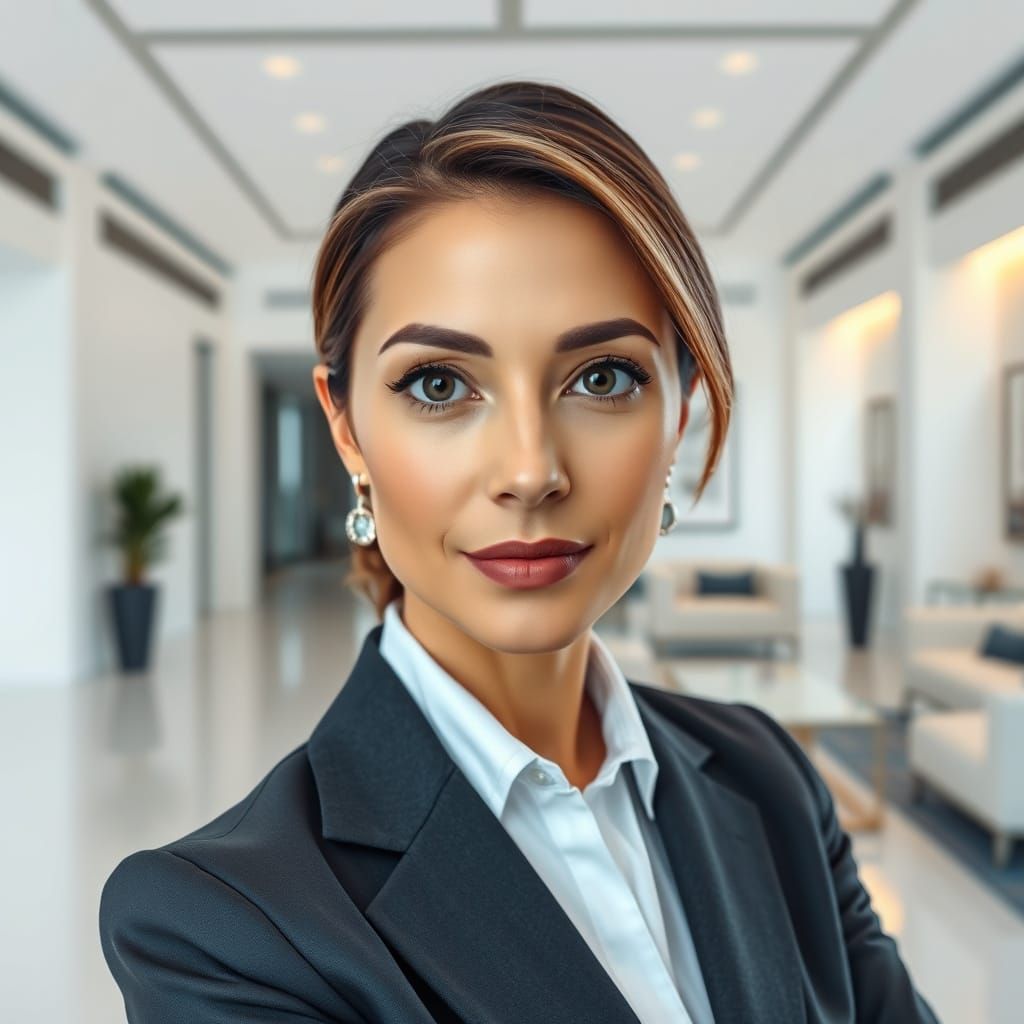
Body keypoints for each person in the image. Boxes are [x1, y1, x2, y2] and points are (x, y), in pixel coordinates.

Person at [99, 80, 940, 1023]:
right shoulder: (220, 930)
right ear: (346, 430)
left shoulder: (770, 781)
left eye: (604, 376)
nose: (531, 471)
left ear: (679, 410)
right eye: (438, 385)